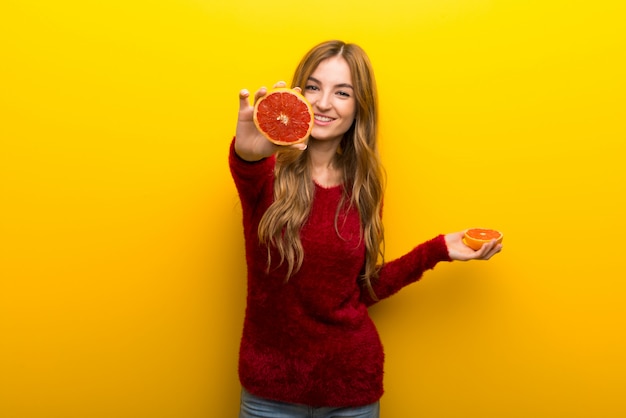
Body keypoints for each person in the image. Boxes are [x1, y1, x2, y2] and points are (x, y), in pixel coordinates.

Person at [230, 40, 502, 418]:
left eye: (342, 92)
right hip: (268, 393)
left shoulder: (364, 187)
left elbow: (358, 291)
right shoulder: (264, 175)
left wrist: (439, 250)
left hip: (351, 389)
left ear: (359, 108)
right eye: (313, 87)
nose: (324, 103)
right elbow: (245, 161)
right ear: (297, 93)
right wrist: (247, 152)